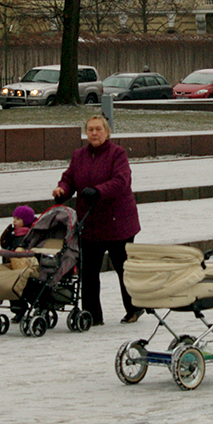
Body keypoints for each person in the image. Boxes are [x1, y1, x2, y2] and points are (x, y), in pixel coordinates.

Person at [52, 115, 142, 326]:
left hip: (118, 222)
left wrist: (98, 191)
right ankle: (92, 314)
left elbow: (121, 181)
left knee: (123, 268)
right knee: (89, 271)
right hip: (90, 223)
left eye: (98, 129)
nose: (94, 133)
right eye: (90, 130)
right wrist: (62, 189)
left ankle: (134, 308)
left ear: (106, 132)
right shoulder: (79, 156)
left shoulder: (117, 154)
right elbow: (69, 179)